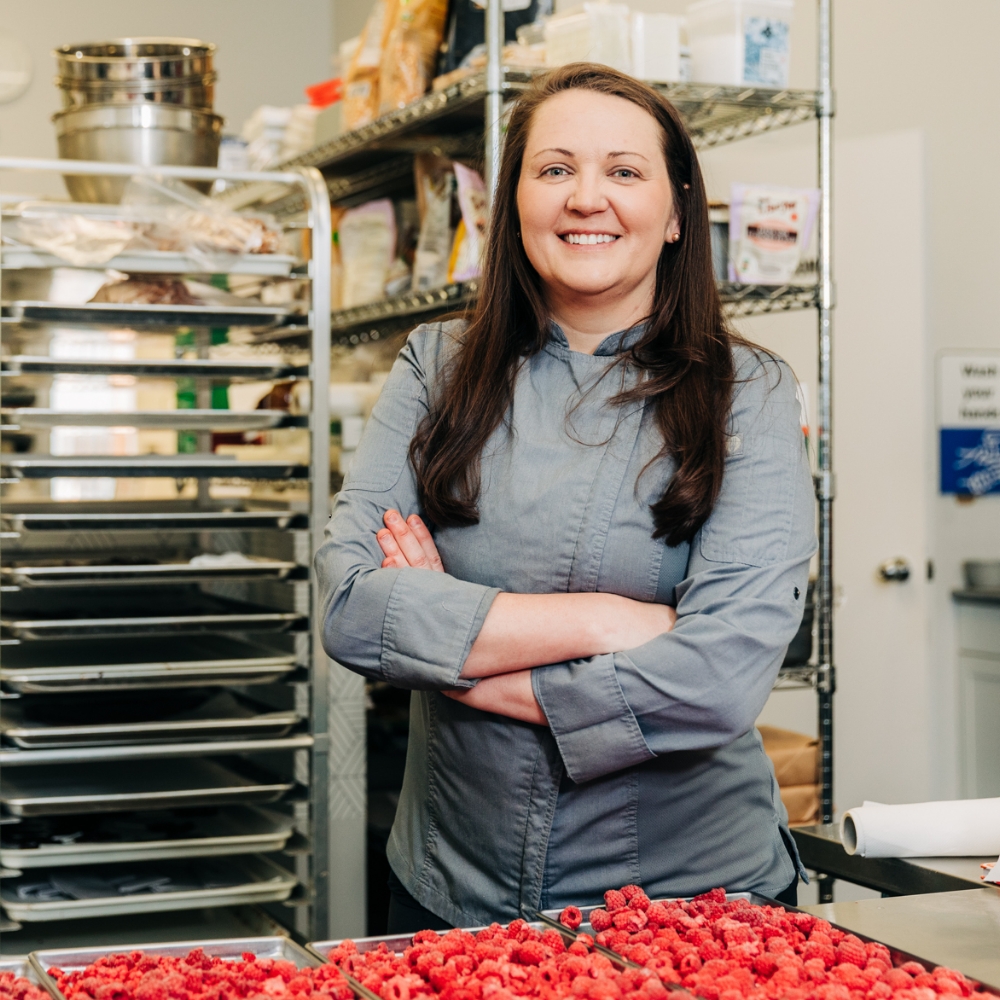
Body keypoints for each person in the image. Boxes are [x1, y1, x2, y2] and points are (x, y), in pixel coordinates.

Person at [316, 62, 816, 933]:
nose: (588, 198)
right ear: (516, 202)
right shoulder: (435, 366)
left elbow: (722, 677)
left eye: (625, 171)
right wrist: (608, 621)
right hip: (448, 888)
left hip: (686, 906)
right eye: (555, 170)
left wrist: (457, 659)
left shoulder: (751, 391)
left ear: (675, 212)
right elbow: (351, 605)